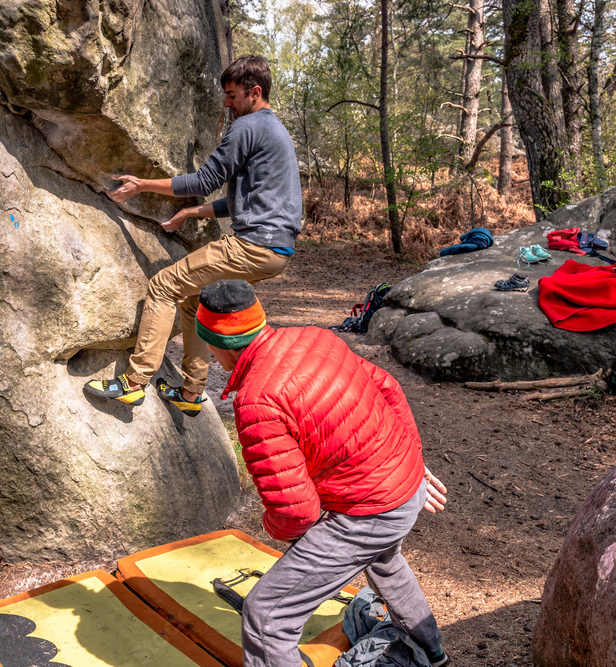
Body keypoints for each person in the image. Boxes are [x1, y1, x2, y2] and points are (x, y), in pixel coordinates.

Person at [196, 279, 450, 667]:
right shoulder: (314, 337)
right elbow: (388, 387)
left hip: (370, 511)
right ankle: (431, 652)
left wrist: (270, 525)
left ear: (218, 344)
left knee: (267, 616)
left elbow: (296, 514)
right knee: (383, 561)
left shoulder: (256, 399)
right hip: (401, 489)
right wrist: (410, 461)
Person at [84, 55, 302, 416]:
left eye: (232, 95)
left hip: (252, 245)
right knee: (191, 301)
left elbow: (203, 181)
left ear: (255, 92)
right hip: (276, 249)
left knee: (163, 286)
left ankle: (133, 383)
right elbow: (249, 202)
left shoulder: (247, 127)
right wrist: (193, 211)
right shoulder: (275, 132)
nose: (226, 103)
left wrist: (141, 186)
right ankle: (191, 392)